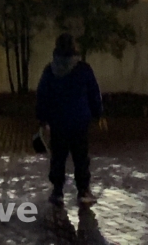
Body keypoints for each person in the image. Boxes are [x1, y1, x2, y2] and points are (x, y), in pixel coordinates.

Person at [36, 32, 103, 206]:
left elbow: (42, 96)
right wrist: (98, 113)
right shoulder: (83, 69)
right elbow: (93, 93)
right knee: (81, 157)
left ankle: (57, 191)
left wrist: (43, 119)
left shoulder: (50, 70)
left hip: (57, 122)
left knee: (58, 156)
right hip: (80, 121)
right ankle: (83, 191)